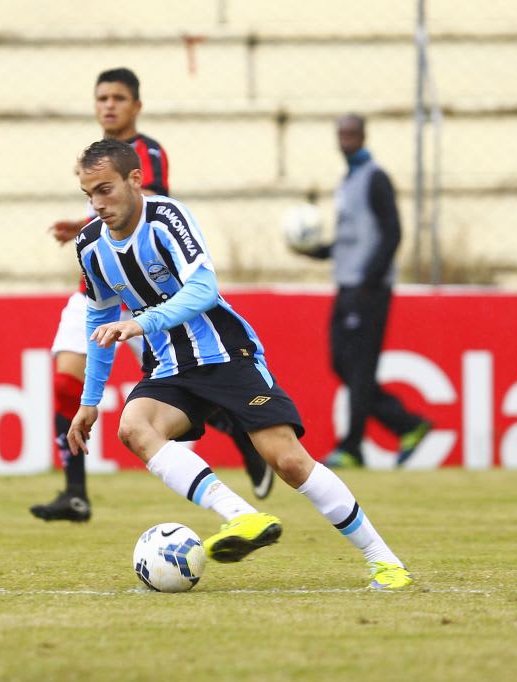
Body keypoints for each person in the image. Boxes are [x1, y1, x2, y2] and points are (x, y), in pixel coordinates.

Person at [66, 138, 414, 590]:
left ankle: (384, 561)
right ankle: (242, 516)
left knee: (288, 462)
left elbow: (204, 289)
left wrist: (142, 323)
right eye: (88, 194)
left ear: (135, 180)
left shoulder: (167, 217)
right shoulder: (90, 245)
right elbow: (98, 318)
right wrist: (90, 400)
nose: (97, 204)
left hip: (226, 354)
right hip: (170, 366)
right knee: (133, 427)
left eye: (105, 190)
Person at [31, 68, 273, 523]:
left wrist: (86, 227)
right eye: (101, 97)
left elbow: (140, 215)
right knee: (67, 379)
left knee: (186, 380)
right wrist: (81, 229)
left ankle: (242, 428)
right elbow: (104, 228)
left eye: (118, 98)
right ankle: (76, 493)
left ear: (136, 106)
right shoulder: (94, 160)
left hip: (152, 293)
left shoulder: (147, 153)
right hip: (103, 289)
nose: (108, 105)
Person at [293, 113, 431, 468]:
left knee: (359, 368)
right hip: (348, 284)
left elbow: (393, 232)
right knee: (343, 364)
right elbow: (348, 240)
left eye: (352, 133)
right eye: (342, 134)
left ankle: (352, 447)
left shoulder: (375, 178)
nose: (346, 139)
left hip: (368, 289)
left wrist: (371, 278)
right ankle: (408, 425)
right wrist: (317, 250)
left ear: (363, 136)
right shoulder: (348, 181)